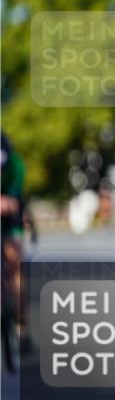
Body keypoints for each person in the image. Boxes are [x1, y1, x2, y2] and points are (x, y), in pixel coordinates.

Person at [1, 132, 30, 345]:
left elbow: (13, 197)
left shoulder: (16, 165)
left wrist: (9, 203)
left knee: (15, 260)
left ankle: (22, 324)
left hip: (10, 217)